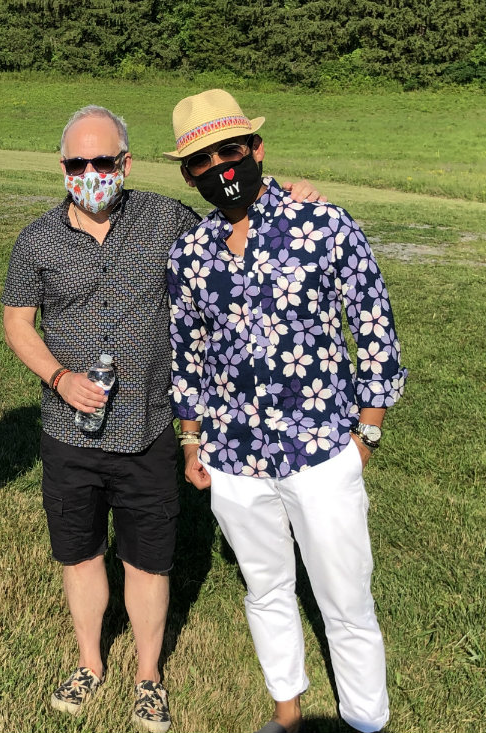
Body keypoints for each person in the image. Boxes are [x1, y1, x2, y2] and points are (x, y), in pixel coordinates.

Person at [165, 89, 407, 733]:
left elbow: (374, 329)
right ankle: (287, 715)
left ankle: (365, 721)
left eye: (231, 150)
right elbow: (188, 354)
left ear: (257, 149)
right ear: (187, 174)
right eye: (201, 160)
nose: (220, 167)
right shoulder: (189, 253)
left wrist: (368, 435)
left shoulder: (325, 224)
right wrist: (191, 442)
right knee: (265, 592)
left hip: (323, 451)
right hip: (234, 460)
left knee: (346, 601)